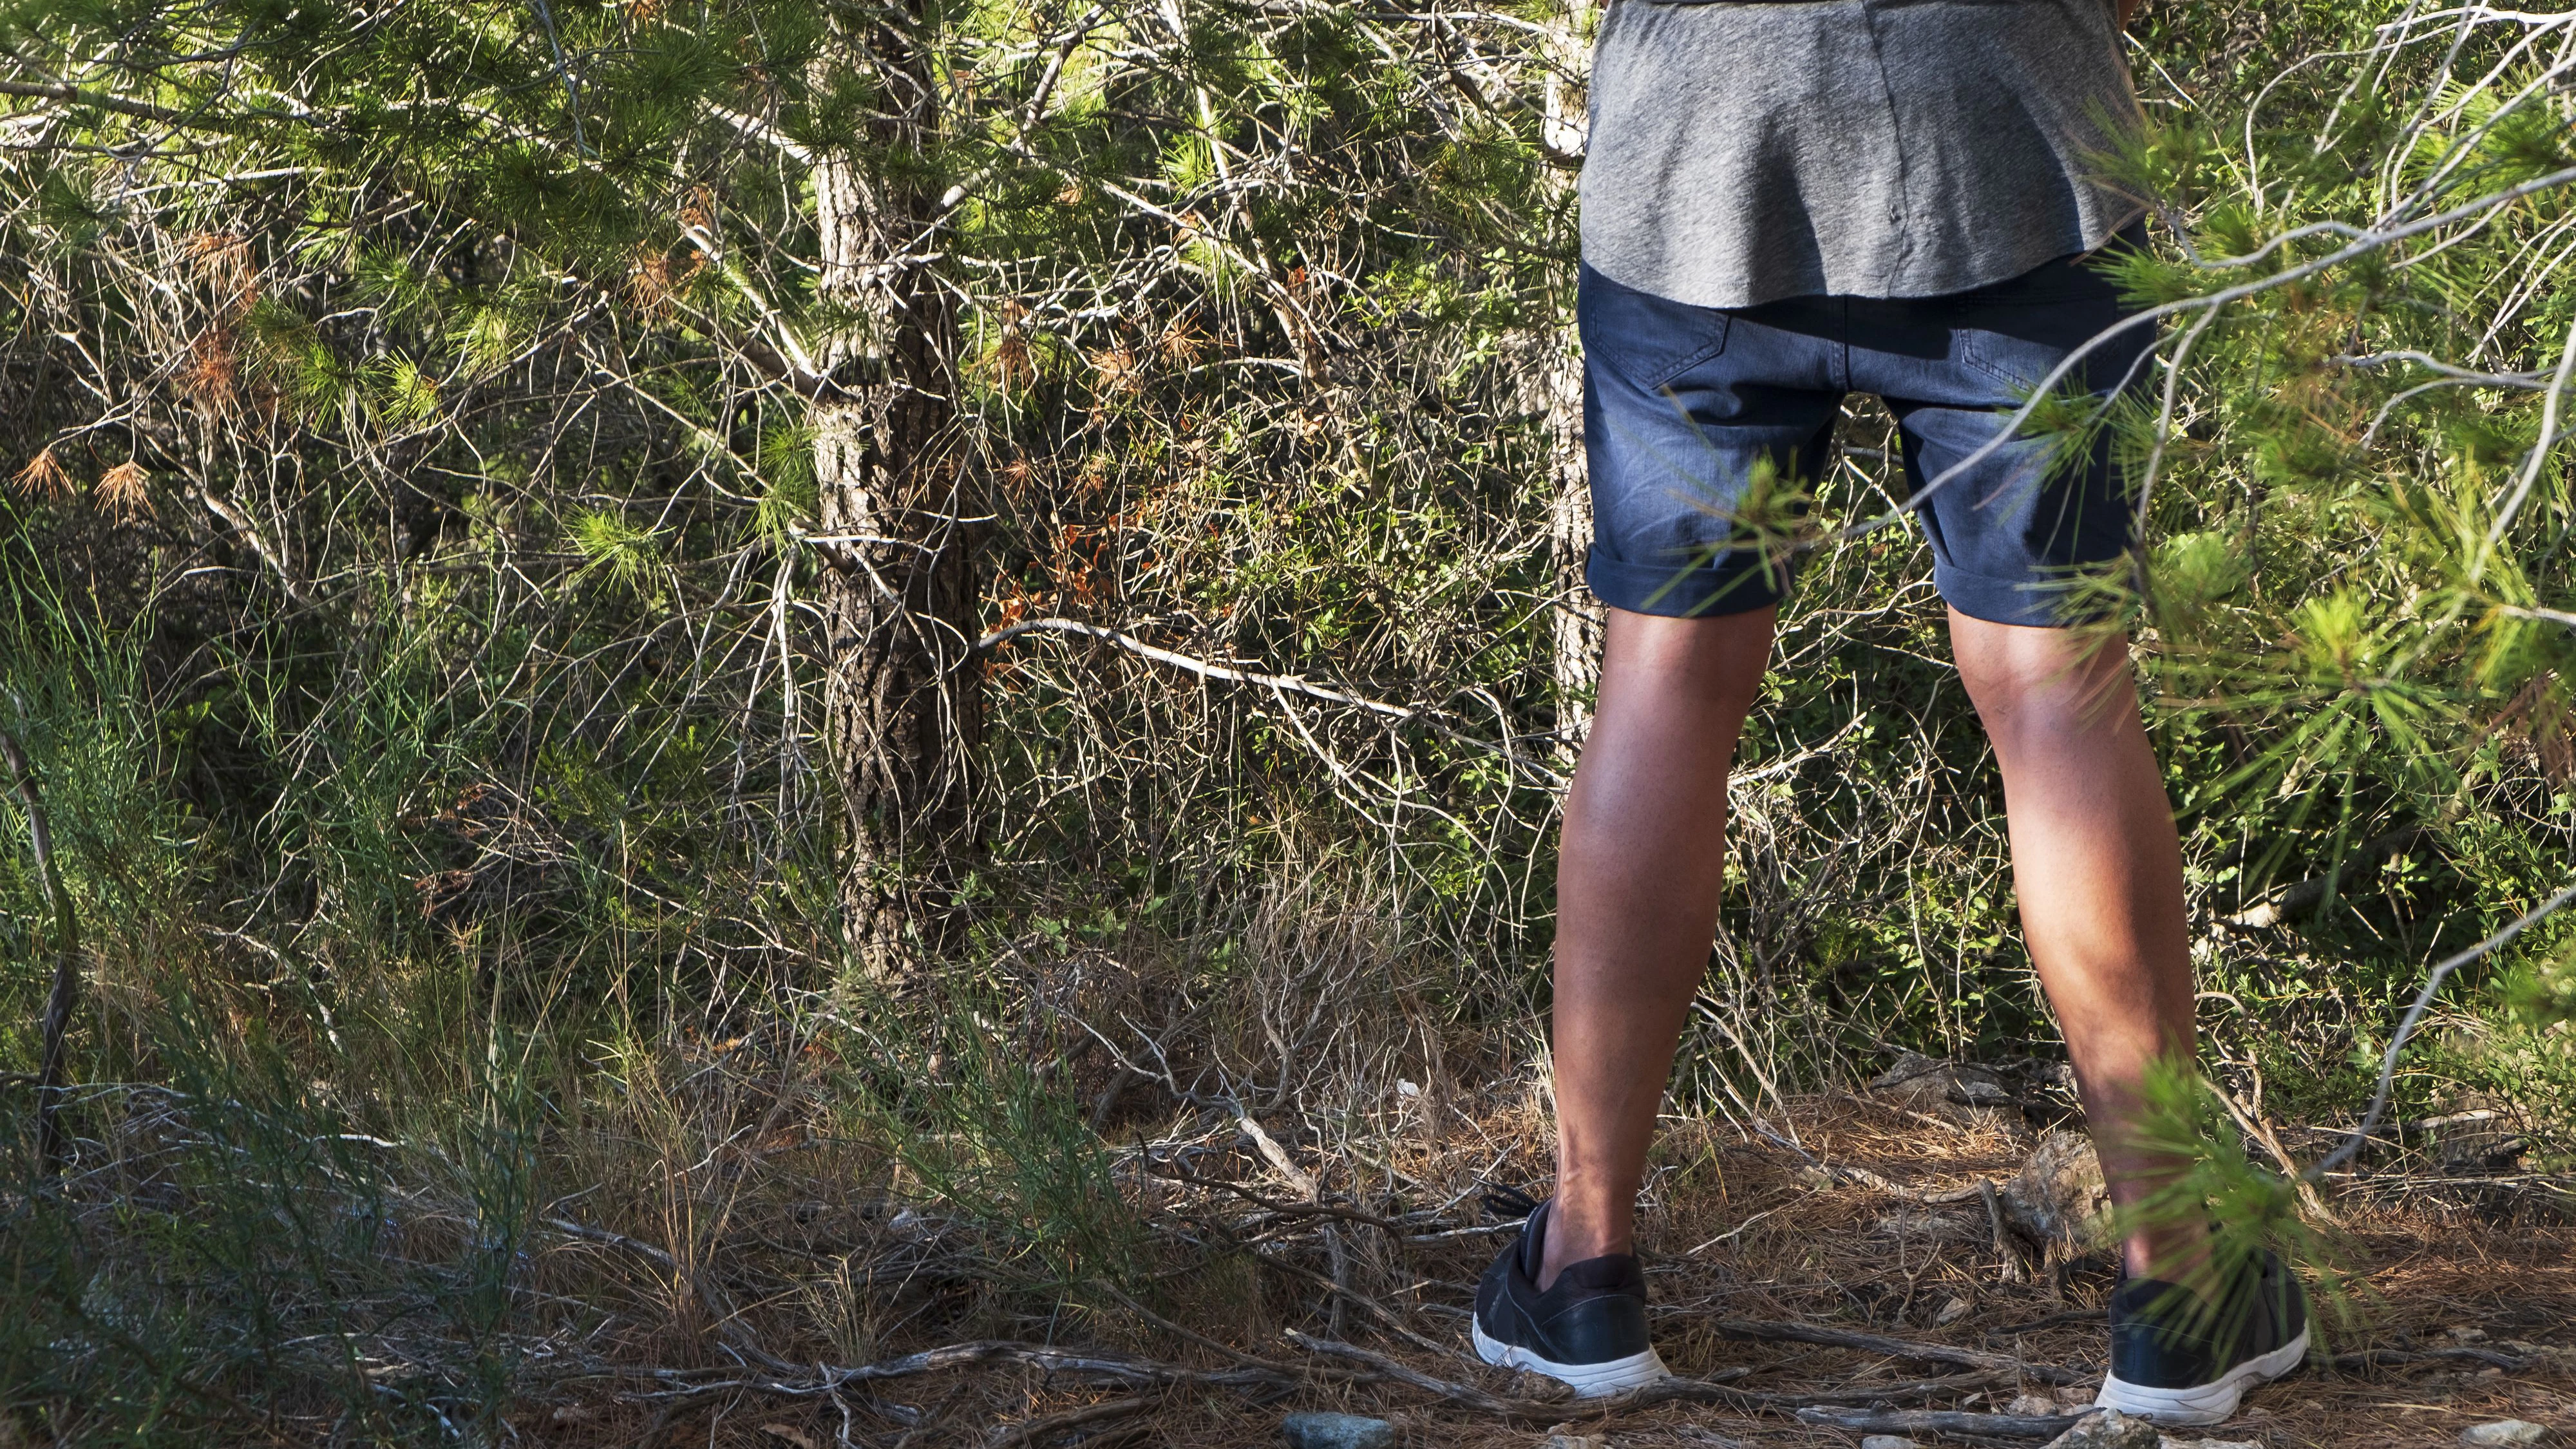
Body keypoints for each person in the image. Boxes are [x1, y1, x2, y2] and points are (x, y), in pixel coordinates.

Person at [1467, 0, 2308, 1426]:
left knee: (1665, 676)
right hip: (2013, 144)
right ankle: (2174, 1284)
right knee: (2055, 691)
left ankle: (1584, 1263)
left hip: (1696, 158)